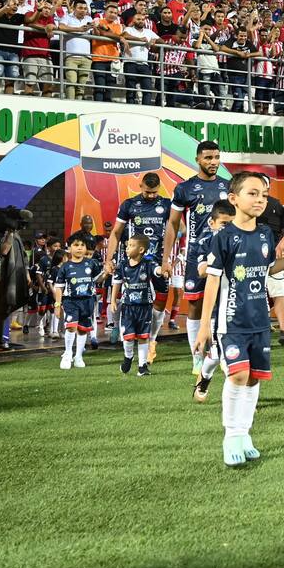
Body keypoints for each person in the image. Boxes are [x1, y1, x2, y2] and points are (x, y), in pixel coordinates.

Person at [195, 171, 284, 466]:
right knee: (238, 375)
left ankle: (244, 435)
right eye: (252, 193)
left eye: (263, 195)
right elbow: (213, 282)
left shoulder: (265, 234)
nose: (260, 199)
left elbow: (269, 268)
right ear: (233, 199)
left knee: (255, 378)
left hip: (260, 321)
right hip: (231, 323)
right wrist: (204, 325)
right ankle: (231, 435)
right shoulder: (223, 237)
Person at [162, 140, 229, 374]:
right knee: (195, 305)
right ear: (198, 159)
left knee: (221, 303)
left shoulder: (228, 186)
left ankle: (218, 353)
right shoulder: (184, 189)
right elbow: (172, 225)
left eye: (217, 157)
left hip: (224, 253)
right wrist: (166, 259)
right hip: (195, 255)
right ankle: (197, 357)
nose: (214, 162)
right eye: (208, 158)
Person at [106, 173, 170, 351]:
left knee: (161, 299)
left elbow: (177, 229)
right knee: (129, 297)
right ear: (140, 185)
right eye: (148, 192)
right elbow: (116, 232)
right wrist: (108, 259)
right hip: (134, 261)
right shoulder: (129, 205)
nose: (151, 196)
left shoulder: (166, 205)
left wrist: (170, 257)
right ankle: (119, 327)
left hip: (158, 260)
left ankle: (152, 340)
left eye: (154, 192)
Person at [192, 199, 236, 402]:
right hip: (219, 303)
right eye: (224, 224)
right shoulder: (205, 241)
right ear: (212, 223)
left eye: (231, 224)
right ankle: (206, 377)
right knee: (220, 355)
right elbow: (201, 271)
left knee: (227, 353)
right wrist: (217, 265)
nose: (228, 228)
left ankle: (240, 396)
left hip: (240, 301)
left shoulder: (241, 238)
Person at [256, 172, 284, 350]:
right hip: (271, 255)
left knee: (257, 295)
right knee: (278, 294)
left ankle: (265, 333)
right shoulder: (277, 205)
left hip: (257, 256)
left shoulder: (251, 205)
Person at [110, 235, 157, 377]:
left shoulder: (148, 263)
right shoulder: (123, 265)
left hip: (145, 306)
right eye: (127, 245)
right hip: (128, 306)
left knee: (143, 336)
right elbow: (117, 283)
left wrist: (162, 271)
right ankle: (128, 356)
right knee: (129, 336)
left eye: (131, 246)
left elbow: (157, 270)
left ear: (141, 249)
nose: (127, 248)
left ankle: (142, 366)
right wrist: (113, 300)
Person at [53, 237, 98, 369]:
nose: (79, 248)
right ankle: (67, 354)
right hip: (71, 301)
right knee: (71, 327)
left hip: (87, 301)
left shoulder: (91, 264)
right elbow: (59, 287)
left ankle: (78, 356)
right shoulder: (65, 267)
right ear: (69, 248)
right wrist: (57, 305)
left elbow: (96, 279)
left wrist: (106, 274)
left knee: (83, 330)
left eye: (82, 245)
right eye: (76, 245)